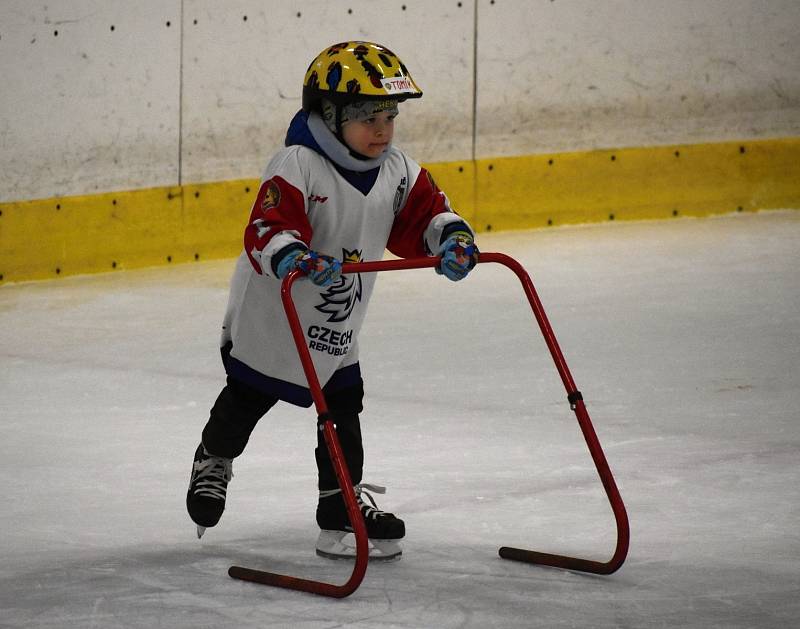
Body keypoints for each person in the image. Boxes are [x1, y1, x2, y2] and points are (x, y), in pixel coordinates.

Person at [186, 41, 479, 560]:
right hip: (276, 316)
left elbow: (427, 217)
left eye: (389, 115)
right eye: (367, 116)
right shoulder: (298, 163)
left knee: (344, 407)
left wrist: (451, 240)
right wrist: (292, 256)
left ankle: (339, 510)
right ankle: (213, 457)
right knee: (247, 399)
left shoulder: (399, 171)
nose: (383, 129)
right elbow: (265, 227)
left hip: (339, 319)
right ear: (330, 114)